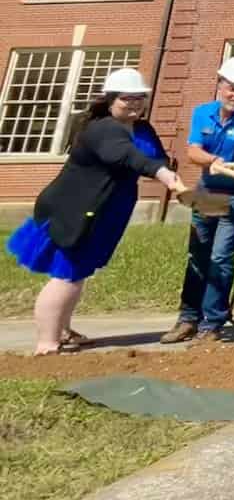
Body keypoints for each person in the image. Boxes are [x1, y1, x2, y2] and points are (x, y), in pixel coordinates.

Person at [6, 68, 186, 354]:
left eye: (140, 98)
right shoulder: (102, 129)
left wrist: (167, 168)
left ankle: (63, 330)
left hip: (107, 211)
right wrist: (163, 175)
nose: (135, 104)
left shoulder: (142, 128)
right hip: (75, 210)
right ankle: (47, 341)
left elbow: (155, 156)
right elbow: (128, 156)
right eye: (127, 98)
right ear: (111, 99)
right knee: (68, 274)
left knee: (79, 272)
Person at [161, 56, 234, 343]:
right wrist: (215, 160)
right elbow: (193, 152)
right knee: (197, 256)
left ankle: (212, 323)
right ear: (220, 85)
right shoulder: (202, 113)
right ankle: (187, 319)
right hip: (206, 193)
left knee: (221, 257)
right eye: (231, 88)